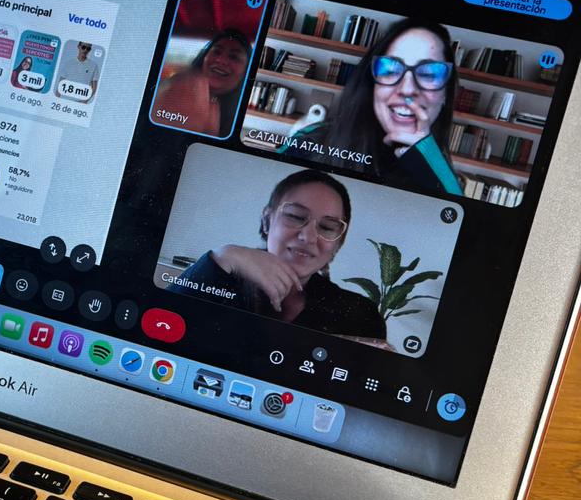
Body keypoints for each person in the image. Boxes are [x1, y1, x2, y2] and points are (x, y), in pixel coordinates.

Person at [171, 169, 387, 339]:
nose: (309, 237)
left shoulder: (361, 315)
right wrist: (225, 255)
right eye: (295, 216)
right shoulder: (218, 272)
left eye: (327, 227)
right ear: (267, 221)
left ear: (338, 243)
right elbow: (162, 323)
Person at [284, 19, 462, 194]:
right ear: (372, 85)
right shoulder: (309, 141)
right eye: (390, 70)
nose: (407, 89)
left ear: (446, 94)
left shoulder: (444, 177)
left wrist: (432, 167)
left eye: (430, 74)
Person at [153, 28, 251, 137]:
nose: (221, 60)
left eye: (234, 57)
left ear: (245, 72)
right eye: (217, 51)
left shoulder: (243, 122)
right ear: (204, 57)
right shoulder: (174, 85)